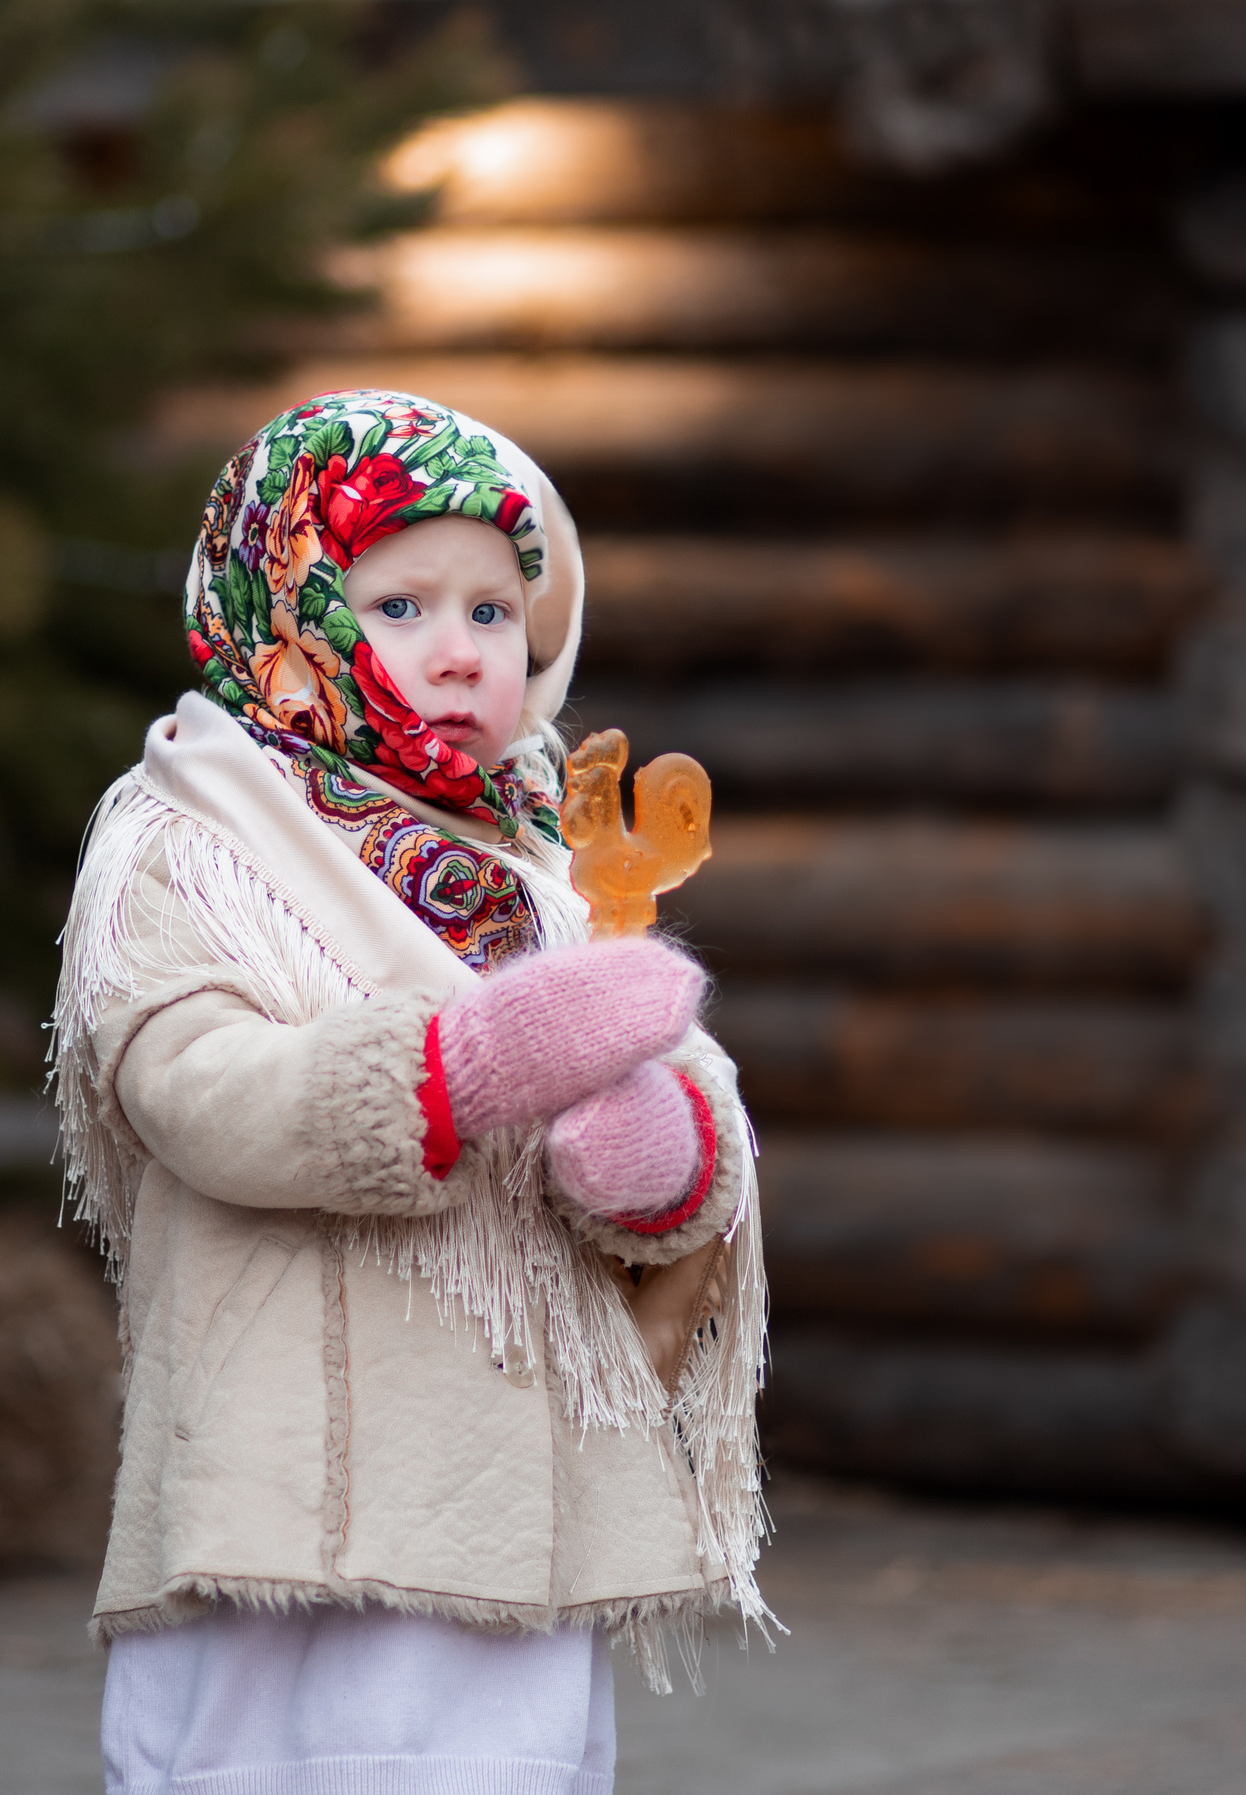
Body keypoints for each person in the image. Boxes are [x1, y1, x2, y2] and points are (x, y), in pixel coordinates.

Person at [48, 389, 770, 1795]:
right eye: (399, 607)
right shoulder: (192, 839)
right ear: (291, 603)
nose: (459, 652)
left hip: (504, 1492)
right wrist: (466, 1071)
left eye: (495, 614)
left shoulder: (549, 868)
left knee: (487, 1760)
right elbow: (193, 1089)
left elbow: (682, 1167)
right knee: (276, 1763)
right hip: (287, 1480)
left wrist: (651, 1161)